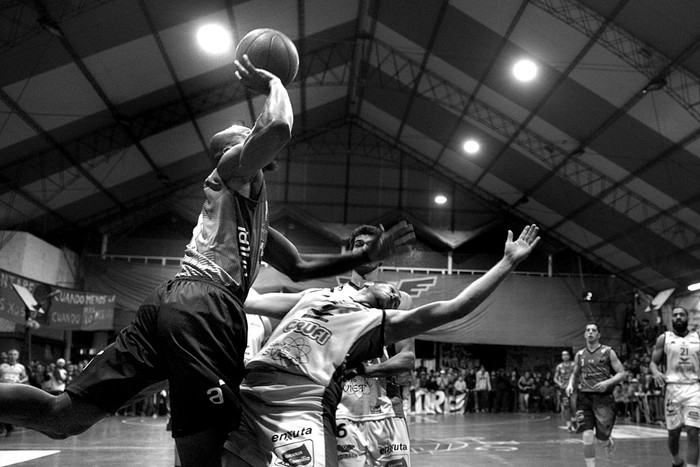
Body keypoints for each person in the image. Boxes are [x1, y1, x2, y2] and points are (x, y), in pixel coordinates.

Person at [0, 55, 413, 467]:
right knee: (208, 456)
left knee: (63, 417)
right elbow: (278, 128)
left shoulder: (251, 216)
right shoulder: (229, 170)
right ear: (235, 150)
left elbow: (300, 268)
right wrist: (275, 83)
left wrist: (365, 255)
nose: (254, 134)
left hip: (177, 304)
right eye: (246, 135)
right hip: (205, 307)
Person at [222, 224, 540, 466]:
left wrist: (507, 263)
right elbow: (254, 300)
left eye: (394, 296)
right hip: (250, 393)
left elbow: (456, 307)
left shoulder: (378, 322)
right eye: (359, 246)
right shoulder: (315, 296)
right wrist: (244, 226)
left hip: (308, 406)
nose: (393, 295)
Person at [332, 224, 416, 466]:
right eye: (359, 245)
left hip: (387, 411)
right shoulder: (331, 298)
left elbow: (407, 359)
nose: (365, 250)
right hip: (342, 411)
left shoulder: (399, 300)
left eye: (371, 246)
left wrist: (366, 370)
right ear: (349, 254)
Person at [566, 323, 626, 467]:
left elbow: (622, 373)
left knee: (601, 442)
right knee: (587, 435)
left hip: (604, 399)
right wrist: (570, 384)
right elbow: (575, 374)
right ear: (585, 335)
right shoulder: (580, 355)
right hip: (584, 398)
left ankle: (607, 441)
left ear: (598, 335)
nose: (591, 332)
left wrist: (607, 383)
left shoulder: (608, 352)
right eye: (588, 330)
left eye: (594, 330)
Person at [649, 306, 700, 467]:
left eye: (682, 315)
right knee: (673, 433)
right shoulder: (664, 338)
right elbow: (653, 363)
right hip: (672, 389)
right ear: (671, 319)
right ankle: (677, 461)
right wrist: (656, 373)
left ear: (687, 318)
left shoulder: (697, 337)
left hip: (693, 388)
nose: (678, 317)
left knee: (693, 431)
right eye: (675, 315)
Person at [0, 349, 28, 436]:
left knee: (10, 409)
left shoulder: (21, 367)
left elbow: (26, 377)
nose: (12, 356)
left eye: (15, 354)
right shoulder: (2, 366)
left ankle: (10, 426)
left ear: (17, 356)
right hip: (3, 389)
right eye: (10, 354)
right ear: (7, 356)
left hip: (14, 389)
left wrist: (20, 381)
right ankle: (5, 427)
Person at [554, 349, 577, 431]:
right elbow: (555, 378)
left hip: (573, 388)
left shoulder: (574, 364)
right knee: (566, 407)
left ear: (569, 356)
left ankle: (574, 420)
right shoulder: (559, 366)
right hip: (564, 390)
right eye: (563, 355)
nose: (565, 356)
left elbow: (578, 374)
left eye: (566, 354)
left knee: (574, 406)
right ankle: (569, 426)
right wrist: (559, 384)